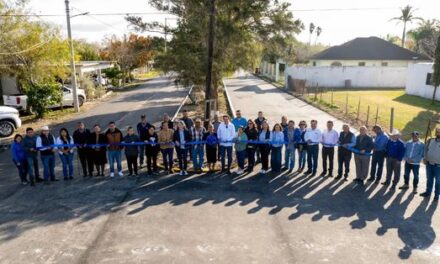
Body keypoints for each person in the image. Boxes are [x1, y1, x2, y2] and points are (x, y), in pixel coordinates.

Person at [420, 127, 440, 202]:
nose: (438, 133)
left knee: (438, 182)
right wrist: (425, 158)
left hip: (438, 166)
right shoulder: (430, 140)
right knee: (429, 180)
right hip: (429, 164)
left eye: (439, 132)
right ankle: (428, 192)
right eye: (437, 132)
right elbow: (425, 149)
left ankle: (436, 196)